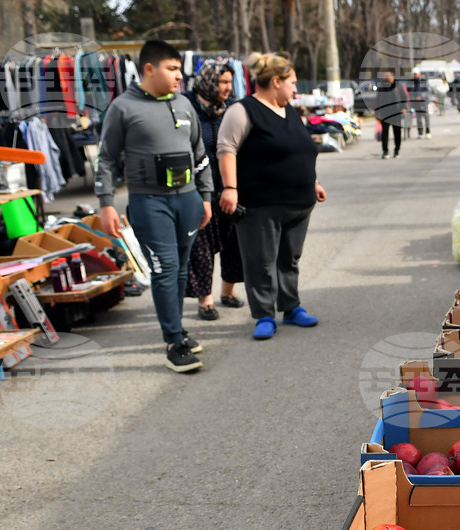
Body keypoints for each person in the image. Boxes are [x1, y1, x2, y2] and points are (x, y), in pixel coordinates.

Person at [95, 39, 213, 373]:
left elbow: (200, 156)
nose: (179, 76)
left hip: (188, 201)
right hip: (150, 203)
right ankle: (174, 342)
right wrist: (106, 204)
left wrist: (205, 197)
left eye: (179, 69)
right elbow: (105, 161)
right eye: (172, 69)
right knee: (163, 271)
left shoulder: (185, 105)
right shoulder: (123, 107)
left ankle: (176, 329)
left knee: (179, 269)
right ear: (149, 69)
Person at [216, 53, 327, 340]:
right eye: (291, 83)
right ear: (275, 81)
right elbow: (226, 149)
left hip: (299, 202)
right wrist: (230, 188)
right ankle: (264, 315)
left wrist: (312, 181)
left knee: (289, 259)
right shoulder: (243, 110)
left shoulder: (289, 110)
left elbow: (299, 150)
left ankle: (291, 307)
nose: (295, 89)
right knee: (260, 261)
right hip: (260, 204)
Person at [182, 60, 246, 321]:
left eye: (230, 83)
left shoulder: (232, 107)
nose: (227, 88)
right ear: (208, 81)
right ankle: (205, 300)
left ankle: (227, 292)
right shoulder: (187, 105)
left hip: (230, 185)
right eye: (222, 82)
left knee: (234, 242)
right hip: (199, 187)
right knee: (202, 246)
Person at [373, 71, 408, 158]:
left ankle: (397, 150)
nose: (386, 78)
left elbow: (405, 98)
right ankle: (385, 151)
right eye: (385, 76)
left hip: (396, 113)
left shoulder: (399, 86)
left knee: (397, 133)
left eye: (388, 76)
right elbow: (378, 100)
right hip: (385, 113)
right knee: (384, 134)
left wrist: (404, 108)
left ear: (392, 76)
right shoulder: (381, 86)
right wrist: (376, 112)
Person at [409, 70, 431, 139]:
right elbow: (410, 92)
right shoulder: (411, 83)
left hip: (424, 103)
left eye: (416, 74)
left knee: (426, 117)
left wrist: (421, 96)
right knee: (418, 119)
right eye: (414, 74)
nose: (415, 75)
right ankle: (420, 132)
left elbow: (428, 91)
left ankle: (427, 131)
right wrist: (414, 98)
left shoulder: (424, 81)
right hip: (416, 103)